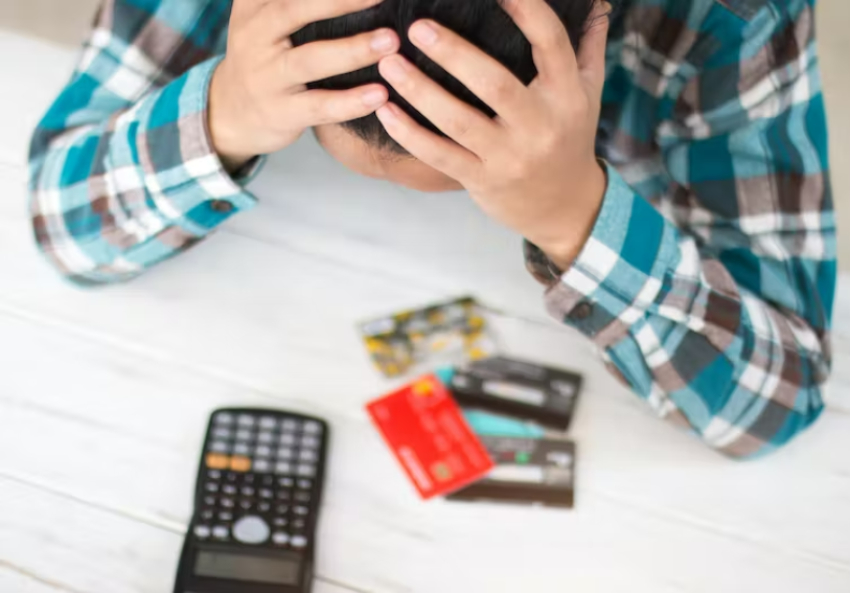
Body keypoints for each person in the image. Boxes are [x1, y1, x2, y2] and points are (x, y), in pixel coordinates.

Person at [28, 0, 834, 458]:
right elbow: (62, 227)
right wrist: (225, 112)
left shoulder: (734, 15)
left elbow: (777, 403)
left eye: (467, 174)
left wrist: (572, 213)